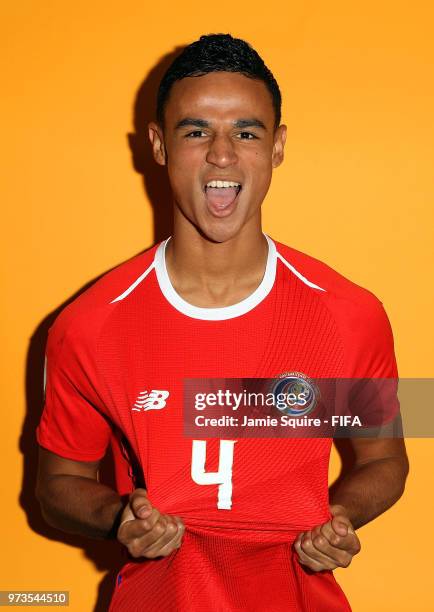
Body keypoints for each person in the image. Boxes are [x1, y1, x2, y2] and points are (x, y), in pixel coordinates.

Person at [36, 34, 409, 611]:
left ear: (278, 146)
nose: (222, 154)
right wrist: (118, 517)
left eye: (246, 131)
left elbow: (386, 461)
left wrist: (342, 515)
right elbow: (55, 485)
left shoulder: (350, 314)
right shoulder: (86, 326)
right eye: (195, 131)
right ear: (158, 145)